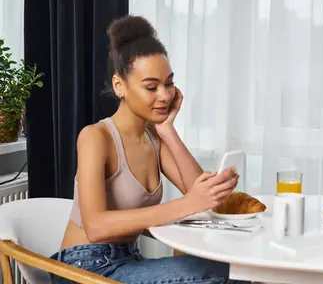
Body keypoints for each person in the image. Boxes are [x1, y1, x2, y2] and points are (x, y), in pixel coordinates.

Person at [51, 15, 244, 283]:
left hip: (128, 260)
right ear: (119, 85)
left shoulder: (154, 137)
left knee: (232, 265)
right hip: (83, 268)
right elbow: (95, 227)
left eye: (168, 83)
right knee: (226, 274)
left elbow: (198, 192)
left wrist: (167, 130)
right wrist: (187, 204)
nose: (164, 95)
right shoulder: (96, 137)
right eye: (151, 87)